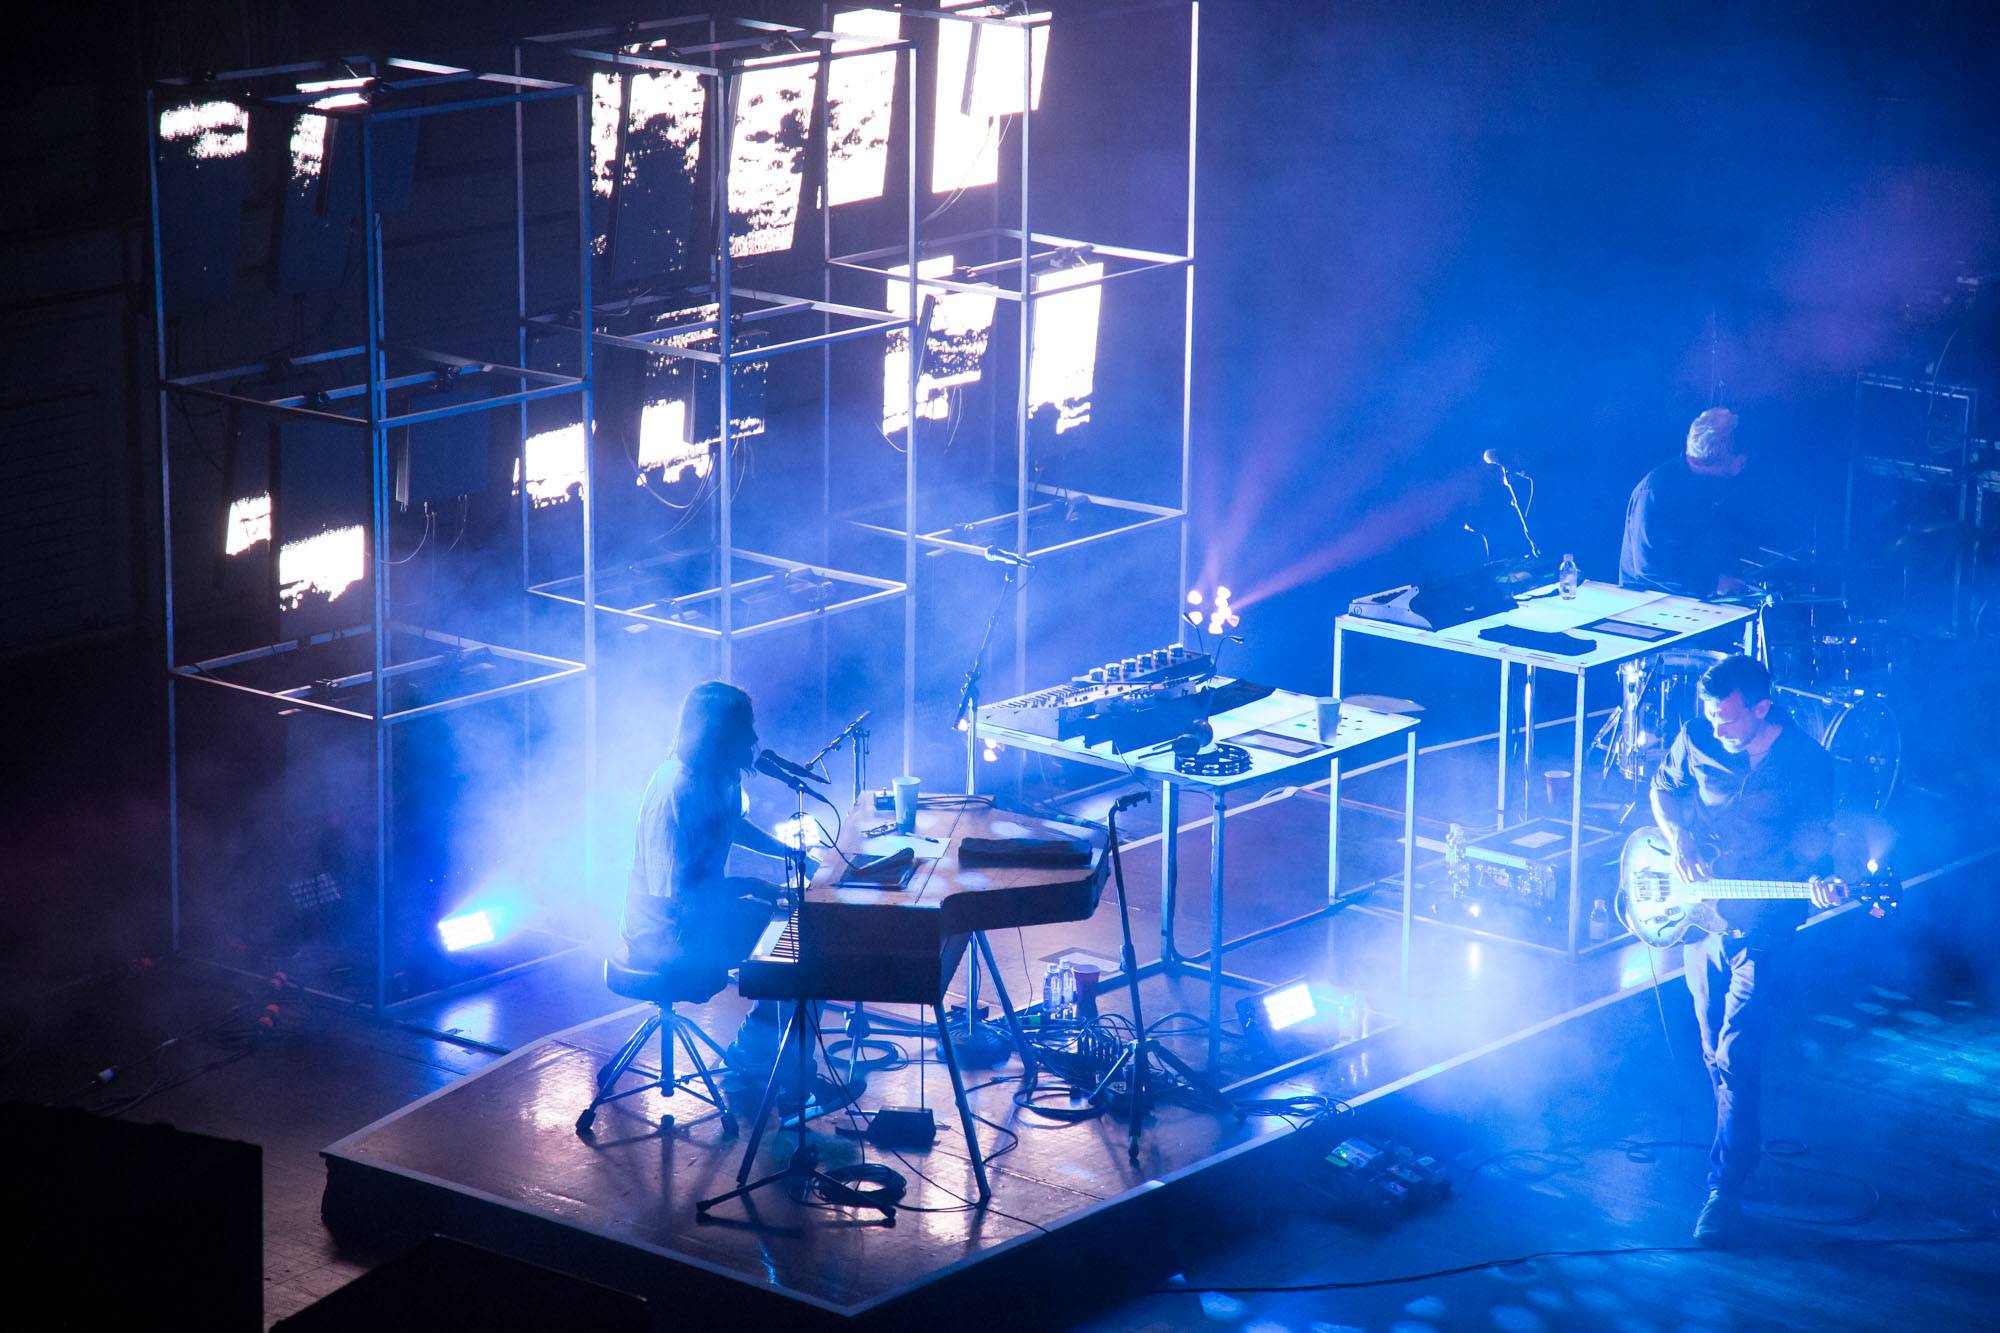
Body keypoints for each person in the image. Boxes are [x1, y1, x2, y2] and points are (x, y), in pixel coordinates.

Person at [1649, 653, 1844, 1245]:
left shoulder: (1808, 766)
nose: (1716, 729)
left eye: (1728, 720)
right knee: (1713, 1049)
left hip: (1763, 926)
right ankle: (1737, 1150)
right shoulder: (1695, 736)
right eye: (1709, 716)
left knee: (1736, 1053)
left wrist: (1819, 881)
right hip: (1701, 920)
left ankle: (1724, 1189)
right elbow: (1664, 787)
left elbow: (1816, 847)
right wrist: (1678, 832)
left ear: (1763, 708)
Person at [622, 680, 821, 1086]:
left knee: (799, 929)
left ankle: (758, 1051)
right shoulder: (678, 790)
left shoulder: (718, 776)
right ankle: (789, 1077)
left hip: (698, 918)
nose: (752, 736)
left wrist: (793, 856)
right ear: (719, 733)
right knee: (803, 946)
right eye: (743, 727)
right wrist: (758, 888)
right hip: (668, 935)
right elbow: (679, 896)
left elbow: (732, 826)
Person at [1619, 407, 1754, 598]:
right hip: (1652, 605)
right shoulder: (1655, 491)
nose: (1743, 464)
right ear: (1716, 454)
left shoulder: (1713, 484)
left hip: (1695, 600)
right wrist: (1713, 582)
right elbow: (1649, 565)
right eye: (1739, 459)